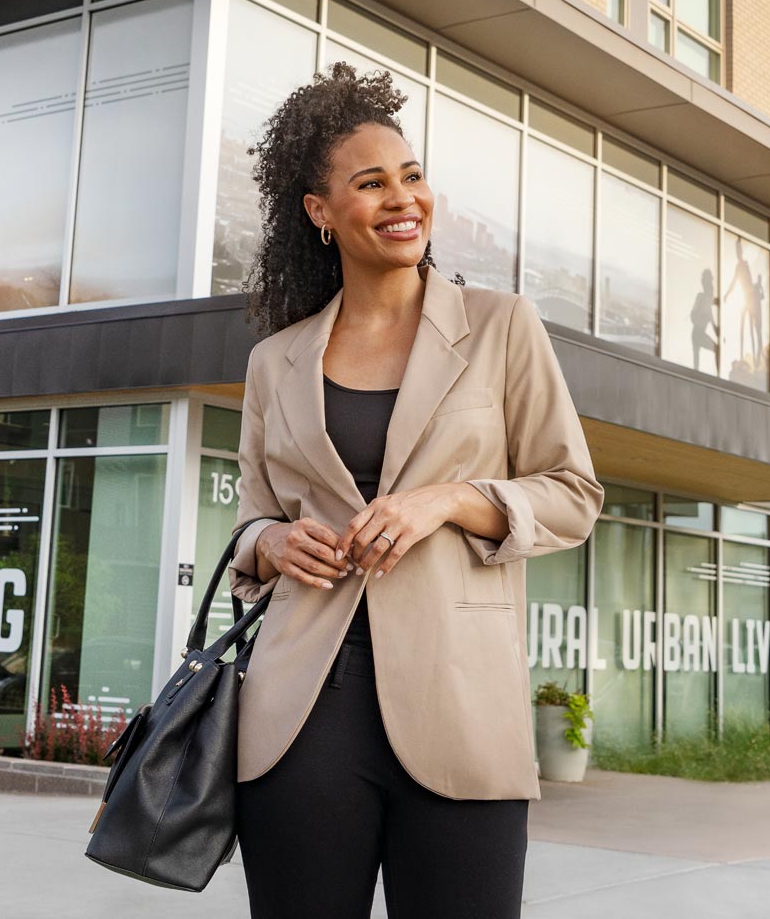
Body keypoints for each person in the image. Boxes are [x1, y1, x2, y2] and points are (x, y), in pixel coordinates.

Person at [226, 63, 603, 918]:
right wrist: (271, 543)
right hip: (297, 715)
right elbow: (250, 518)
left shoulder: (503, 327)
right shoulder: (274, 361)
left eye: (412, 175)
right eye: (371, 183)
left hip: (461, 706)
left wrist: (450, 499)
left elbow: (573, 492)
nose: (403, 198)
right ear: (320, 212)